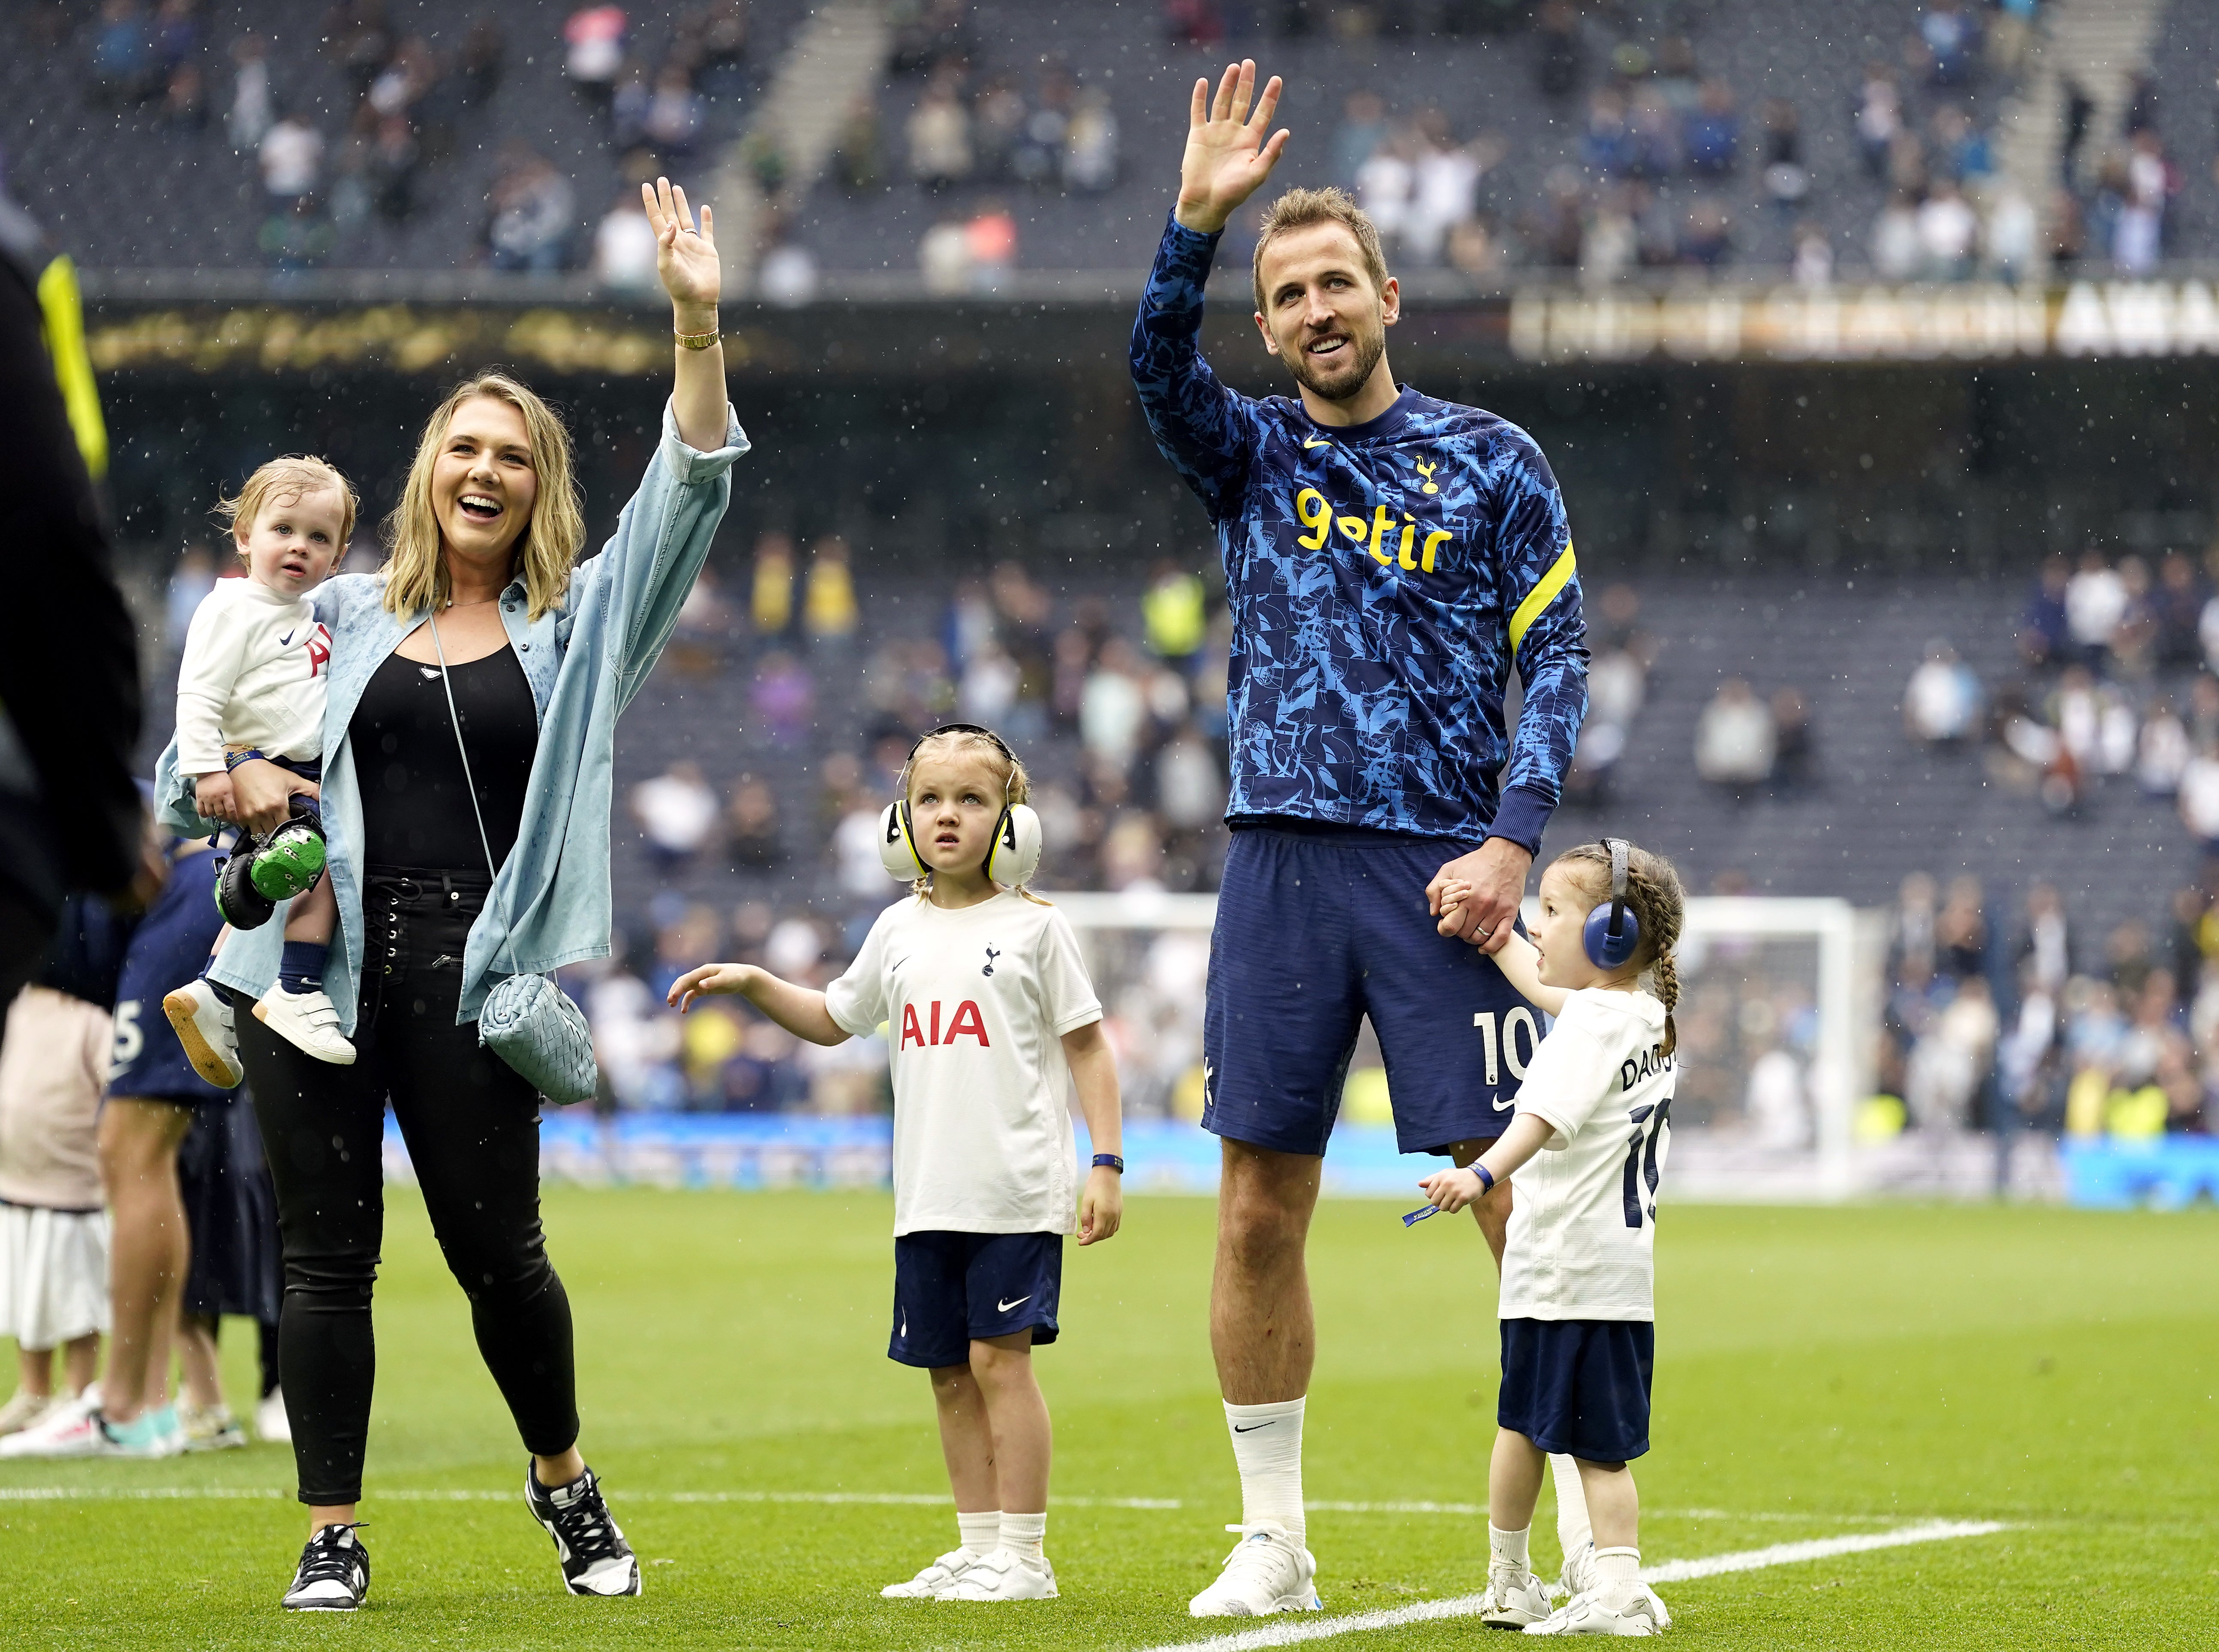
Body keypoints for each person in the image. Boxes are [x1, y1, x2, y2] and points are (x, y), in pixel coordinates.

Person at [151, 176, 747, 1613]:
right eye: (461, 448)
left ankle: (564, 1484)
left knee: (501, 1262)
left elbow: (692, 489)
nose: (484, 469)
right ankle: (331, 1532)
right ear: (427, 472)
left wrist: (693, 325)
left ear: (542, 485)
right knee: (323, 1261)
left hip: (476, 984)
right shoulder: (336, 613)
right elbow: (193, 776)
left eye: (514, 455)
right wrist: (230, 785)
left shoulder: (577, 623)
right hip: (315, 982)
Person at [1128, 62, 1589, 1617]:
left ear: (1388, 295)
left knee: (1515, 1194)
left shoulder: (1494, 463)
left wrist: (1513, 847)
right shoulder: (1248, 451)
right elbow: (1149, 372)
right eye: (1287, 293)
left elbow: (1563, 658)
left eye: (1336, 280)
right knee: (1259, 1202)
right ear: (1265, 327)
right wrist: (1194, 225)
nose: (1317, 307)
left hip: (1441, 870)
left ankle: (1591, 1529)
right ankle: (1273, 1533)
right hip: (1273, 861)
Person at [666, 725, 1125, 1604]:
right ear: (899, 820)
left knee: (1001, 1365)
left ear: (1010, 823)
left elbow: (1089, 1048)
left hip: (1014, 1192)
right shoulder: (894, 929)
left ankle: (1025, 1559)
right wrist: (756, 982)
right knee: (948, 1373)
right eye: (929, 800)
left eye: (972, 800)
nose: (947, 816)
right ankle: (980, 1546)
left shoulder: (1038, 929)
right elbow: (837, 1016)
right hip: (924, 1196)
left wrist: (1104, 1161)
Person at [1423, 838, 1683, 1635]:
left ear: (1609, 932)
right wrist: (1501, 944)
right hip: (1617, 1271)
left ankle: (1515, 1577)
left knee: (1526, 1428)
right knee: (1601, 1443)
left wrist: (1480, 1175)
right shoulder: (1643, 1012)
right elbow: (1550, 991)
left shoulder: (1591, 1026)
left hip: (1560, 1261)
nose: (1536, 924)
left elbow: (1541, 1116)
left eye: (1552, 911)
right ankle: (1614, 1580)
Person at [162, 457, 358, 1077]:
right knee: (328, 864)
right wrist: (210, 770)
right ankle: (297, 989)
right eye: (284, 529)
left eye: (319, 537)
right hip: (271, 771)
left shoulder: (304, 615)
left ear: (338, 555)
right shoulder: (233, 609)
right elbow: (197, 695)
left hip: (297, 769)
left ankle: (215, 992)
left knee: (271, 878)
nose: (300, 547)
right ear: (245, 535)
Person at [0, 954, 117, 1441]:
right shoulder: (17, 1005)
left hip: (75, 1189)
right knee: (29, 1296)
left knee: (76, 1300)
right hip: (15, 1183)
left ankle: (77, 1393)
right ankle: (33, 1392)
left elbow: (116, 1088)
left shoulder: (93, 1017)